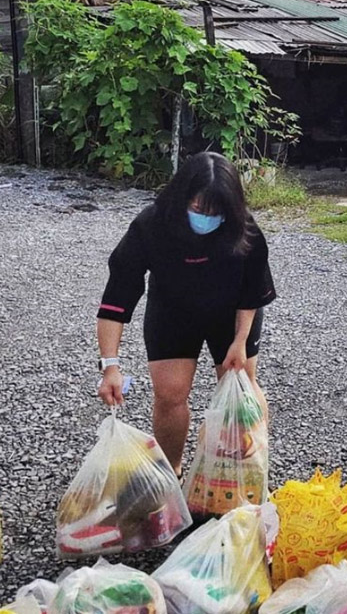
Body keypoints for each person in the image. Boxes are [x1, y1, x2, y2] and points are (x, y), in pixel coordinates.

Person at [96, 152, 276, 476]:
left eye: (217, 213)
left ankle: (248, 472)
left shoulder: (243, 228)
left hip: (231, 312)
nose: (207, 218)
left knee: (242, 386)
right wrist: (110, 366)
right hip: (173, 309)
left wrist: (240, 341)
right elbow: (116, 299)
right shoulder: (151, 226)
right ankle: (171, 473)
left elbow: (252, 291)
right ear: (181, 198)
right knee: (169, 394)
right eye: (198, 209)